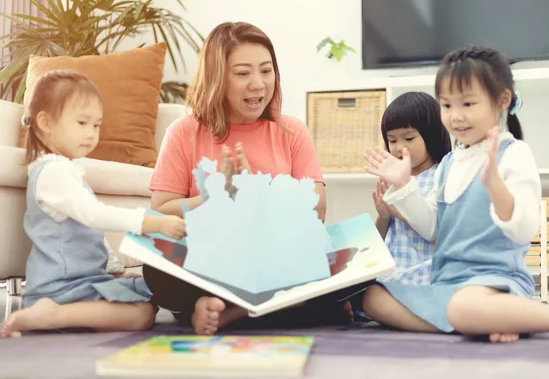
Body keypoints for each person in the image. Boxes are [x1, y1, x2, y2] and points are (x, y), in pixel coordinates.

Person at [362, 45, 549, 343]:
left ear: (501, 101)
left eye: (468, 104)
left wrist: (498, 191)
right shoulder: (449, 163)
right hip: (446, 283)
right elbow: (434, 229)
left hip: (494, 280)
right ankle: (481, 319)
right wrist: (405, 186)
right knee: (371, 297)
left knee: (464, 304)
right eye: (447, 106)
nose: (456, 116)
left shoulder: (513, 153)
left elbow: (525, 228)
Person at [144, 21, 350, 335]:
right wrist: (215, 199)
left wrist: (258, 194)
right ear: (217, 77)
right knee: (156, 269)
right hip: (212, 261)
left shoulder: (292, 131)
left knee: (351, 268)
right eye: (243, 73)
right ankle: (281, 308)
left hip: (277, 260)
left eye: (266, 71)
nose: (258, 84)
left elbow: (317, 213)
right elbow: (159, 212)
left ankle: (225, 312)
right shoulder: (184, 133)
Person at [0, 70, 186, 338]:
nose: (91, 134)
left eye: (96, 125)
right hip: (61, 288)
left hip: (79, 279)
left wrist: (113, 270)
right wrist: (154, 222)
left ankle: (69, 311)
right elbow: (93, 216)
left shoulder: (62, 169)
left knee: (146, 293)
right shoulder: (54, 172)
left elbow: (87, 235)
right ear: (46, 123)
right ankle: (52, 314)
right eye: (82, 123)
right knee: (141, 315)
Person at [373, 91, 450, 285]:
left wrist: (399, 211)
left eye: (409, 139)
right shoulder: (391, 178)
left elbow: (434, 232)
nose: (399, 147)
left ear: (431, 135)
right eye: (392, 140)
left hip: (426, 272)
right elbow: (379, 240)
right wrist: (384, 216)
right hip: (392, 271)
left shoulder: (442, 173)